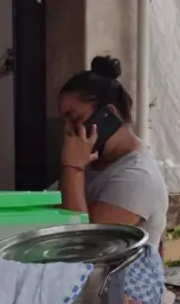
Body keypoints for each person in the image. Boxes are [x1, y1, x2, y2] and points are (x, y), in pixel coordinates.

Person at [58, 56, 168, 245]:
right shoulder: (93, 165)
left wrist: (72, 168)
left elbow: (85, 247)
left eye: (75, 120)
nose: (68, 131)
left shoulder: (138, 178)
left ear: (109, 114)